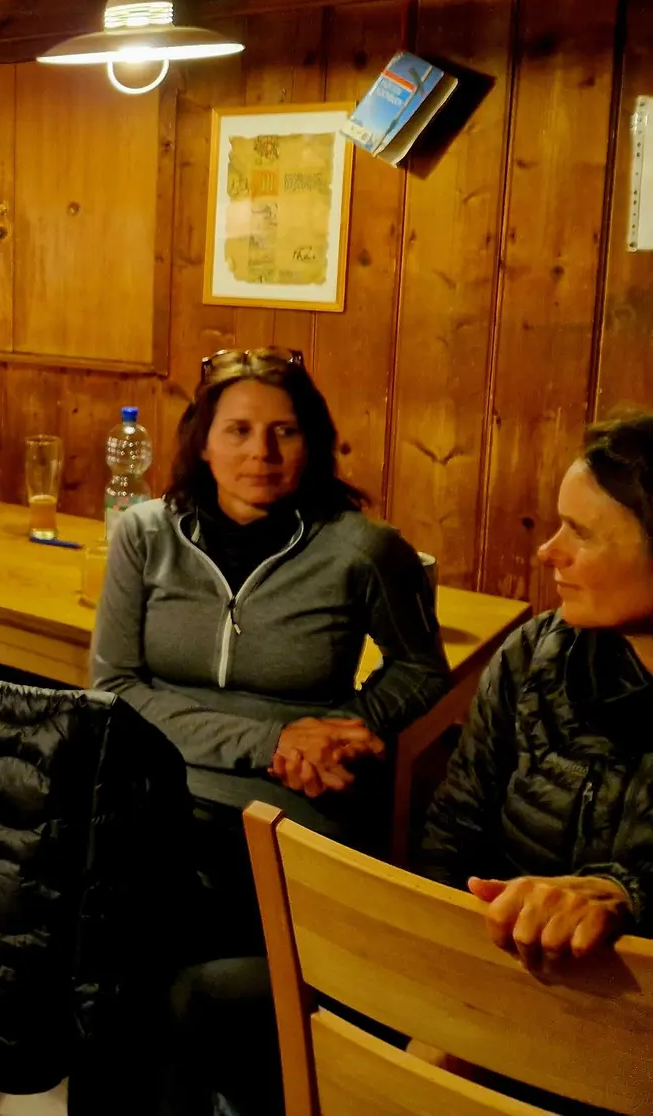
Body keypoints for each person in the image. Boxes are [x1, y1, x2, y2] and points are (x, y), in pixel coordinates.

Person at [89, 347, 448, 1116]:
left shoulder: (362, 548)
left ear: (312, 442)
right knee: (110, 962)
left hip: (293, 803)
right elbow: (116, 688)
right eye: (239, 430)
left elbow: (420, 671)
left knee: (187, 977)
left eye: (284, 432)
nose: (262, 453)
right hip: (162, 788)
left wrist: (352, 727)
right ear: (203, 440)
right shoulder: (144, 535)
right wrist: (269, 740)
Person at [421, 411, 653, 967]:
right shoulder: (538, 653)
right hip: (500, 972)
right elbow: (456, 823)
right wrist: (436, 973)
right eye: (558, 524)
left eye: (583, 533)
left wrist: (628, 896)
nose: (548, 551)